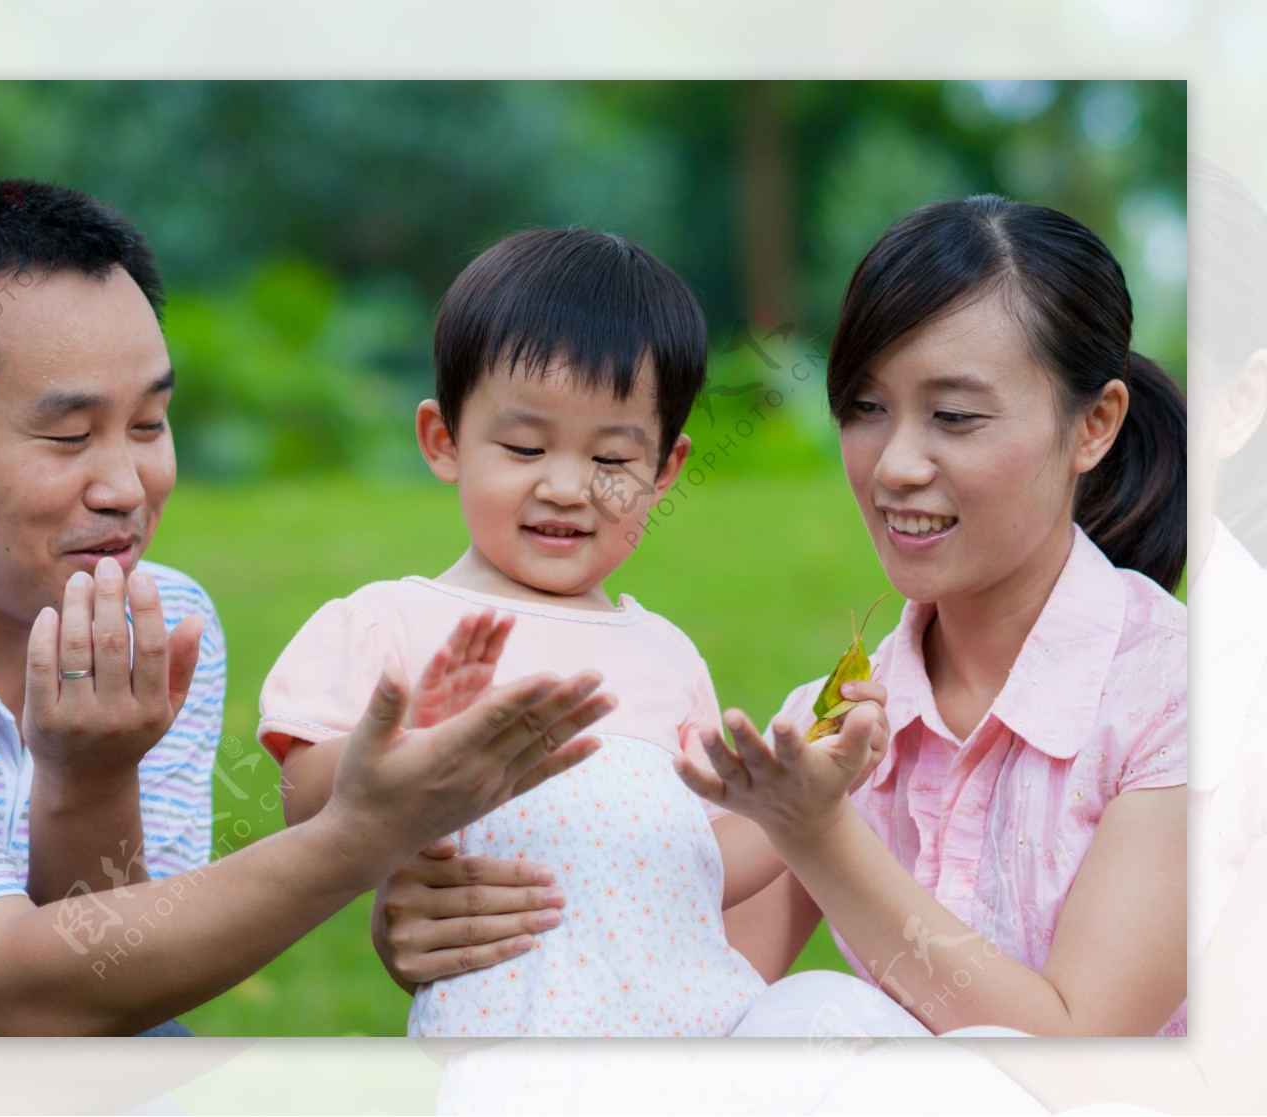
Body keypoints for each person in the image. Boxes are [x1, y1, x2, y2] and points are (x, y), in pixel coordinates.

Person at [0, 180, 613, 1038]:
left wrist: (93, 778)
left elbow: (115, 985)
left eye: (151, 424)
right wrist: (359, 837)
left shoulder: (156, 622)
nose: (127, 488)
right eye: (69, 435)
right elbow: (16, 1000)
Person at [385, 196, 1188, 1039]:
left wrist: (824, 831)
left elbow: (1083, 1050)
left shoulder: (1179, 698)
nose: (898, 465)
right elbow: (676, 998)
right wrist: (450, 921)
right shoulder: (833, 726)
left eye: (955, 416)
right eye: (865, 408)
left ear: (1094, 424)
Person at [255, 228, 887, 1037]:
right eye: (523, 446)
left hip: (694, 1050)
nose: (564, 486)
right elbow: (306, 812)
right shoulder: (390, 623)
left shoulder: (666, 656)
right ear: (443, 440)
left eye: (613, 460)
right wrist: (419, 741)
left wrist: (806, 797)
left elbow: (690, 871)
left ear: (663, 470)